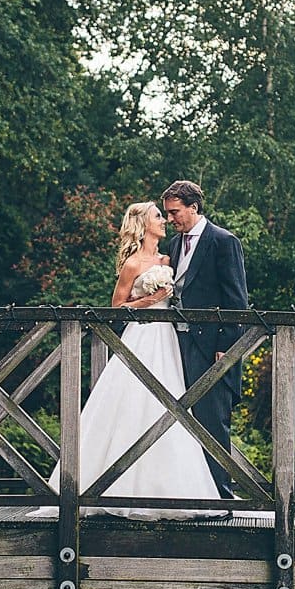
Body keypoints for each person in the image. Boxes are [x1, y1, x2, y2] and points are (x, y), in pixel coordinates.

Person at [40, 200, 225, 518]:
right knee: (131, 402)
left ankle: (170, 487)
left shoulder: (168, 257)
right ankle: (113, 486)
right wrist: (150, 300)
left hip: (169, 340)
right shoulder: (133, 264)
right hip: (141, 338)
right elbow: (116, 308)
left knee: (171, 406)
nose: (165, 221)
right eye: (158, 216)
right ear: (143, 224)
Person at [161, 180, 249, 497]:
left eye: (174, 212)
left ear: (193, 207)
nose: (171, 219)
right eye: (168, 214)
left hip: (211, 346)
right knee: (178, 417)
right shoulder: (173, 245)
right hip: (176, 344)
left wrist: (226, 348)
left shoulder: (224, 242)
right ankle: (189, 490)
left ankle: (220, 494)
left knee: (213, 419)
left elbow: (237, 301)